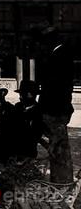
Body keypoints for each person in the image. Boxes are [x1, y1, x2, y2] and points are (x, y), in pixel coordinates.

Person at [37, 26, 75, 183]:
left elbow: (54, 87)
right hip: (58, 108)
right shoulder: (59, 54)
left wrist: (42, 107)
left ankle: (62, 181)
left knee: (59, 148)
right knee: (58, 147)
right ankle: (60, 179)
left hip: (56, 109)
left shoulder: (58, 56)